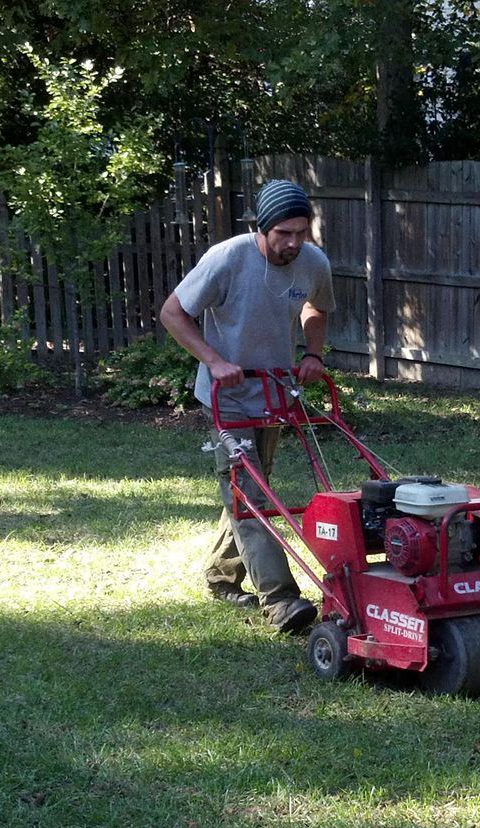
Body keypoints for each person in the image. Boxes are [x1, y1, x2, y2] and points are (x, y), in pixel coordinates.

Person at [160, 179, 334, 634]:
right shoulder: (228, 259)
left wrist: (312, 353)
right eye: (283, 234)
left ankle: (221, 576)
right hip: (228, 397)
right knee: (250, 494)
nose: (293, 243)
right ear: (263, 228)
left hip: (275, 395)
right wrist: (215, 361)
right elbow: (173, 312)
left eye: (301, 232)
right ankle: (280, 600)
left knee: (254, 491)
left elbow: (317, 308)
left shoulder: (313, 262)